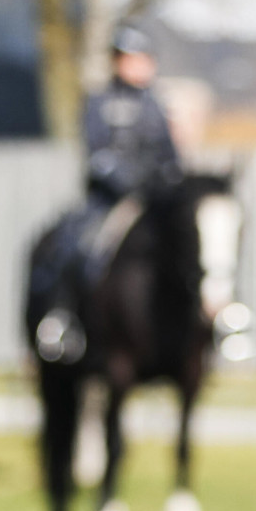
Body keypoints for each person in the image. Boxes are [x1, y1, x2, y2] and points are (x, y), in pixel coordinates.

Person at [34, 26, 184, 362]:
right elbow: (98, 154)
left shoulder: (156, 106)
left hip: (152, 200)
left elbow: (170, 155)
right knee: (72, 243)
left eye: (140, 59)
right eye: (127, 59)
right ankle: (61, 318)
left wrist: (169, 181)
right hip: (107, 199)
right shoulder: (99, 101)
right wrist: (128, 183)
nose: (135, 66)